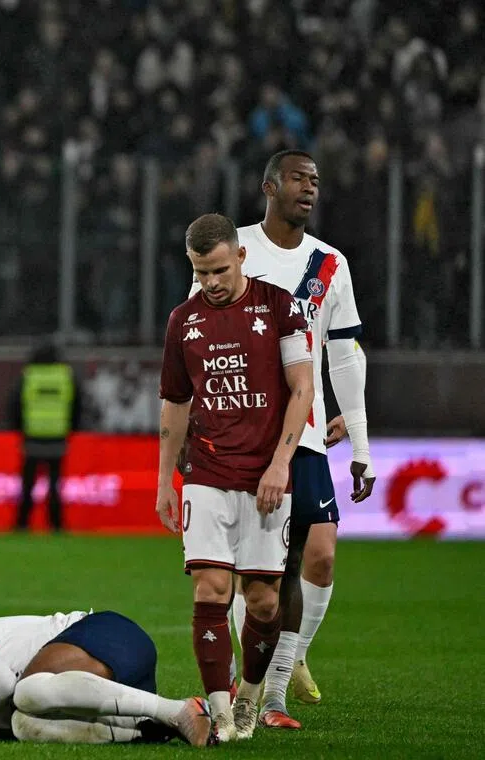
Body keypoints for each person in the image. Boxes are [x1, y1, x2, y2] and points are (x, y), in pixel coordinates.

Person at [188, 151, 376, 728]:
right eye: (299, 178)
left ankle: (285, 669)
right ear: (269, 186)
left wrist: (361, 438)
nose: (310, 188)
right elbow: (197, 334)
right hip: (241, 432)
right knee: (260, 574)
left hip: (307, 428)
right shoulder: (232, 248)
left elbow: (343, 353)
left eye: (316, 180)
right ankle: (269, 691)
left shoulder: (329, 264)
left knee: (317, 554)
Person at [157, 213, 314, 742]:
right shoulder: (183, 320)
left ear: (241, 257)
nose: (212, 283)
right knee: (211, 587)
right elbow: (175, 404)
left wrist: (281, 462)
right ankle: (221, 712)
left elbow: (302, 389)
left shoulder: (279, 307)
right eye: (202, 274)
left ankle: (249, 696)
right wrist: (164, 482)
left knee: (265, 600)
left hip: (266, 476)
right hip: (206, 471)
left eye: (220, 270)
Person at [0, 609, 213, 746]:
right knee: (23, 725)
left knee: (25, 692)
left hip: (108, 635)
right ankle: (140, 729)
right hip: (115, 688)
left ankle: (178, 710)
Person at [8, 342, 82, 532]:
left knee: (27, 484)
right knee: (55, 484)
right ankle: (56, 524)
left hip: (32, 436)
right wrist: (70, 429)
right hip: (57, 437)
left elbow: (15, 405)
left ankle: (22, 524)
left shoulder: (28, 376)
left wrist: (19, 429)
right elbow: (76, 405)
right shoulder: (65, 377)